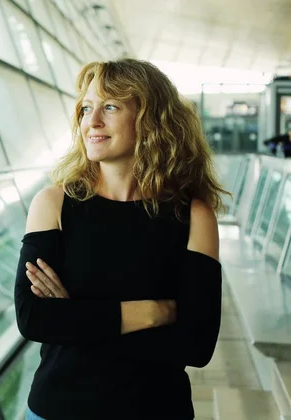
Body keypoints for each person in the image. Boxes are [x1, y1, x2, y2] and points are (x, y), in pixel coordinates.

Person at [14, 58, 228, 419]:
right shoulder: (53, 204)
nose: (91, 122)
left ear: (150, 119)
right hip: (58, 409)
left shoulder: (193, 216)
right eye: (86, 108)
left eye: (110, 107)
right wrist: (155, 311)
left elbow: (196, 345)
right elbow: (34, 317)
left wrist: (76, 318)